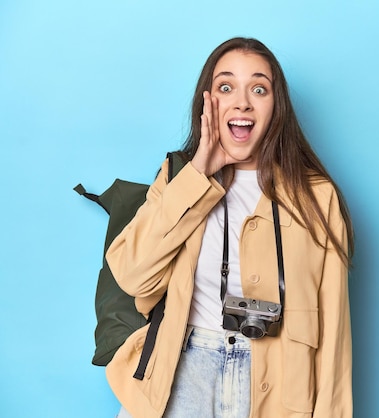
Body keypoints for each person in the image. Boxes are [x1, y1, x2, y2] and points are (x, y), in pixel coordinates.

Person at [106, 37, 354, 418]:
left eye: (259, 88)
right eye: (226, 87)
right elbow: (133, 276)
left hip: (280, 385)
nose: (242, 102)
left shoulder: (317, 197)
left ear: (277, 108)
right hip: (182, 372)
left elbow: (335, 335)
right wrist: (198, 172)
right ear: (208, 103)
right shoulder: (177, 179)